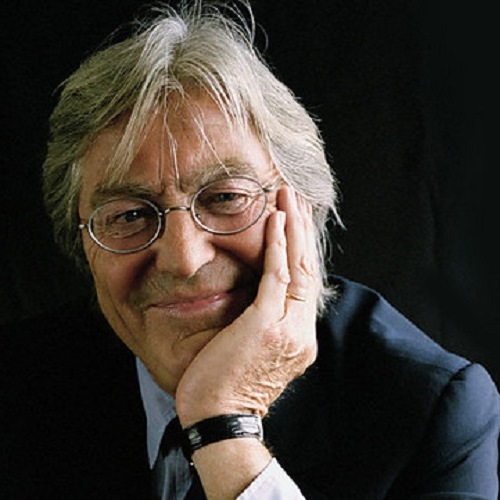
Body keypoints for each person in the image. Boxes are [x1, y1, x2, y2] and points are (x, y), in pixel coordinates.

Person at [2, 1, 499, 498]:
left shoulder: (433, 411)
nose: (184, 259)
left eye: (225, 198)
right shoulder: (18, 387)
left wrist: (223, 425)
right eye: (130, 216)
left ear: (303, 207)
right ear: (83, 242)